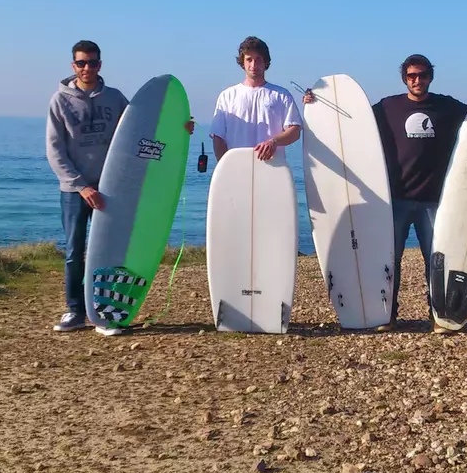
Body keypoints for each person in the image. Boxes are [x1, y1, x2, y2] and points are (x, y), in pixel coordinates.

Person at [304, 54, 467, 333]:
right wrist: (317, 104)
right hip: (395, 199)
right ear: (404, 78)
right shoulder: (388, 107)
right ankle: (388, 315)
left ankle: (438, 317)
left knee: (436, 260)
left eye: (423, 75)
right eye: (411, 76)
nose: (417, 80)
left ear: (431, 76)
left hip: (433, 199)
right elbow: (351, 122)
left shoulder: (447, 107)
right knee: (389, 259)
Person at [46, 40, 194, 336]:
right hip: (76, 190)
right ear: (73, 66)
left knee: (113, 250)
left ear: (100, 64)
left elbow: (141, 132)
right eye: (81, 63)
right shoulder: (60, 101)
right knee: (75, 251)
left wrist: (178, 128)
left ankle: (106, 311)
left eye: (92, 62)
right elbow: (55, 149)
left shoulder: (114, 99)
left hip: (113, 190)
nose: (87, 68)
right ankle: (75, 311)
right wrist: (81, 186)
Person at [210, 36, 302, 161]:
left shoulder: (281, 95)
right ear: (243, 62)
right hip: (237, 169)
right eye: (249, 59)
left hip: (273, 170)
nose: (253, 64)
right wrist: (225, 168)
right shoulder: (227, 96)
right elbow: (218, 137)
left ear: (265, 62)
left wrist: (274, 142)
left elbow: (295, 131)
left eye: (258, 60)